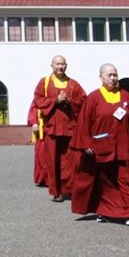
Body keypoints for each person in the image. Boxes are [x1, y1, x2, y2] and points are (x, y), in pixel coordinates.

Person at [70, 64, 129, 224]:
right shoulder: (94, 97)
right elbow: (84, 122)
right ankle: (104, 211)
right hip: (101, 146)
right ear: (101, 77)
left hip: (123, 145)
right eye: (109, 75)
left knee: (125, 179)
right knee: (104, 181)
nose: (112, 78)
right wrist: (86, 144)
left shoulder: (126, 96)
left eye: (115, 75)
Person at [32, 56, 86, 201]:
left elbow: (83, 101)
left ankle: (69, 189)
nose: (60, 67)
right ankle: (57, 192)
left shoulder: (73, 84)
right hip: (52, 128)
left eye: (62, 64)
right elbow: (38, 100)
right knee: (52, 161)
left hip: (70, 128)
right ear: (52, 65)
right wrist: (55, 101)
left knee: (70, 161)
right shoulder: (44, 82)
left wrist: (69, 101)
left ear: (66, 66)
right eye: (57, 64)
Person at [26, 104, 49, 187]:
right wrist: (34, 122)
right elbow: (33, 108)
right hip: (42, 131)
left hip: (52, 127)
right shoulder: (39, 98)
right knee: (42, 155)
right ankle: (43, 178)